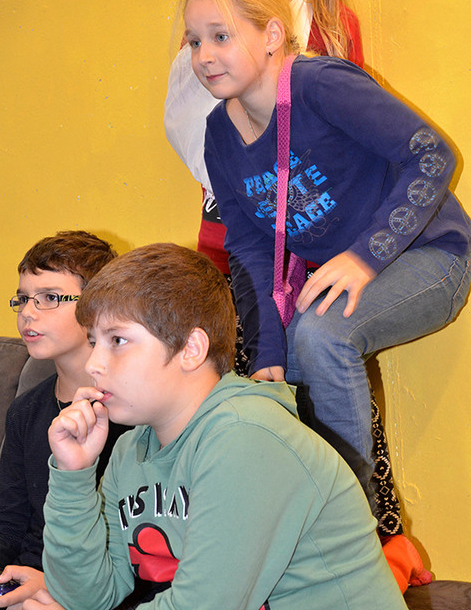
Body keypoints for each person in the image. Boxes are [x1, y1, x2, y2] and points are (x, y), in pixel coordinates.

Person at [164, 0, 403, 545]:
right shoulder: (214, 16)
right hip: (242, 233)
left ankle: (369, 540)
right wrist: (252, 196)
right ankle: (262, 542)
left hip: (325, 235)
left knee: (333, 366)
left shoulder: (335, 24)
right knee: (260, 379)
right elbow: (192, 127)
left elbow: (349, 133)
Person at [183, 0, 470, 521]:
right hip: (357, 273)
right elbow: (249, 248)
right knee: (277, 369)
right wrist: (267, 352)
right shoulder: (218, 135)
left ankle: (353, 528)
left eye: (221, 36)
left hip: (431, 255)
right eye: (194, 41)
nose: (204, 56)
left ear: (271, 34)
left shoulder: (321, 84)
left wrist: (363, 259)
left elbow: (433, 155)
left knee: (320, 335)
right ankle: (301, 528)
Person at [29, 243, 406, 610]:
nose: (93, 364)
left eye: (117, 340)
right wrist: (73, 476)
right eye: (93, 342)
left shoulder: (247, 436)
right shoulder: (131, 451)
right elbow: (86, 598)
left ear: (191, 349)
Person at [0, 230, 130, 610]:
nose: (27, 313)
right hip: (22, 581)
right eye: (22, 299)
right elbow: (8, 524)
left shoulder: (130, 411)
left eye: (50, 298)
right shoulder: (25, 411)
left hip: (91, 587)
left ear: (97, 306)